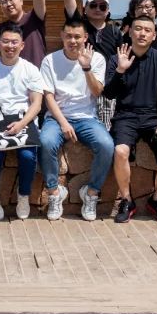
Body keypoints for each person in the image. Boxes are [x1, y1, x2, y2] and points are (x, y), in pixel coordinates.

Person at [103, 15, 157, 223]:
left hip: (153, 119)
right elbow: (109, 94)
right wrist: (120, 70)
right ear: (130, 32)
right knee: (120, 151)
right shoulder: (117, 58)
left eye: (147, 30)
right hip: (125, 117)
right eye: (138, 28)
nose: (142, 33)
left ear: (154, 36)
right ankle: (127, 201)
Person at [39, 18, 113, 221]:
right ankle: (54, 192)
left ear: (85, 37)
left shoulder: (97, 59)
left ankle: (91, 193)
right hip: (57, 117)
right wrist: (63, 123)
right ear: (62, 36)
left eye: (77, 37)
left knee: (106, 145)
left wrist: (86, 68)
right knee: (45, 142)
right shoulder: (50, 60)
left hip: (87, 117)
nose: (73, 41)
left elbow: (97, 92)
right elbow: (48, 96)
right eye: (69, 36)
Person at [0, 22, 44, 221]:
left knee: (27, 156)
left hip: (24, 120)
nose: (10, 46)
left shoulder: (30, 69)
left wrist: (21, 124)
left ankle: (23, 196)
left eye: (14, 42)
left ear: (22, 45)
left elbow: (37, 104)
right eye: (5, 41)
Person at [60, 0, 119, 125]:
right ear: (84, 8)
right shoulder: (80, 25)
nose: (98, 9)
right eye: (93, 5)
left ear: (108, 11)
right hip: (80, 86)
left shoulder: (115, 32)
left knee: (106, 131)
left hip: (105, 89)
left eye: (102, 6)